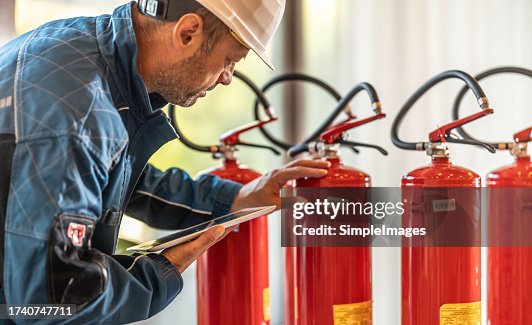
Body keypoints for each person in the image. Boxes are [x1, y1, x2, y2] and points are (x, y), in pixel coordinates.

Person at [0, 0, 329, 323]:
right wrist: (162, 270)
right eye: (230, 59)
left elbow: (109, 175)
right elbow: (50, 299)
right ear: (187, 32)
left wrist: (237, 198)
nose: (228, 77)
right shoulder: (79, 114)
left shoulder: (81, 52)